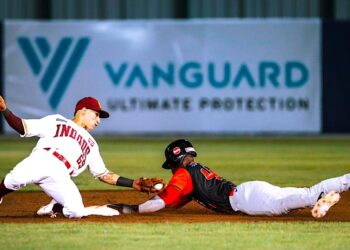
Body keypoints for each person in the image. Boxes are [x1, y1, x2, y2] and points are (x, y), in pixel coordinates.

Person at [0, 95, 157, 218]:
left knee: (77, 212)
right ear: (83, 110)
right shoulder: (57, 120)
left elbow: (104, 175)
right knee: (14, 179)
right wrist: (5, 110)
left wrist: (133, 183)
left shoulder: (91, 144)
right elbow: (22, 127)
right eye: (96, 114)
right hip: (42, 159)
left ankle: (53, 208)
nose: (98, 120)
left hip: (61, 176)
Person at [108, 139, 349, 219]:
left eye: (170, 166)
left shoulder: (183, 174)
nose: (171, 171)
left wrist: (132, 209)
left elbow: (163, 202)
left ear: (174, 162)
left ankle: (334, 191)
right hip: (250, 192)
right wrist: (164, 194)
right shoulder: (193, 172)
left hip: (247, 200)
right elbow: (174, 200)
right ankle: (323, 199)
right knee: (295, 200)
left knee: (300, 198)